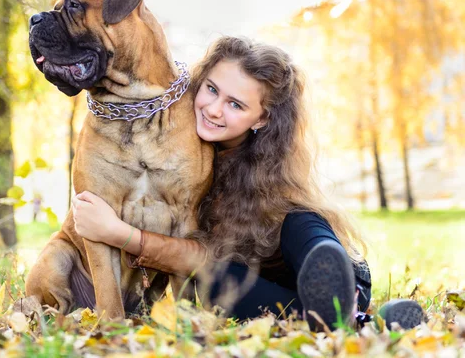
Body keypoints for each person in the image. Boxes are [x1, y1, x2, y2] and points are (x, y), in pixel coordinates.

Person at [71, 36, 423, 330]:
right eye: (211, 89)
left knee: (298, 219)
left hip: (326, 274)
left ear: (262, 118)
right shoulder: (172, 146)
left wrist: (119, 234)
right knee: (212, 282)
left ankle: (328, 265)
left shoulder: (266, 170)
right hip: (265, 290)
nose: (213, 109)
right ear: (197, 81)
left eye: (235, 105)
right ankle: (366, 323)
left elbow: (193, 253)